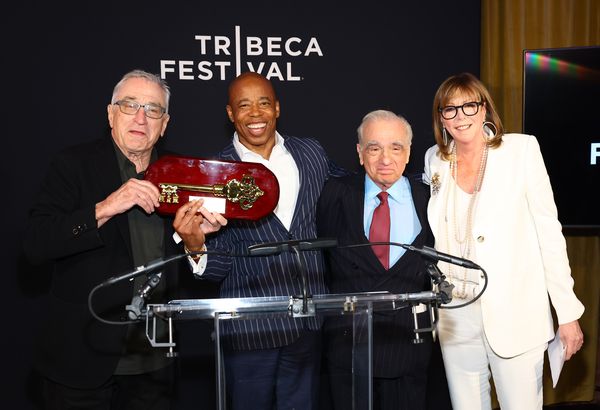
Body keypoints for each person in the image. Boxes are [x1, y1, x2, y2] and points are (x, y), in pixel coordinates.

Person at [173, 71, 347, 410]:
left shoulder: (310, 153)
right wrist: (195, 246)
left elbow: (350, 193)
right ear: (230, 114)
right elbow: (218, 262)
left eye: (263, 103)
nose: (255, 114)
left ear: (277, 108)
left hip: (307, 321)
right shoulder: (215, 172)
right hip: (250, 329)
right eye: (244, 105)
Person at [423, 72, 585, 409]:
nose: (460, 116)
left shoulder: (521, 151)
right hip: (457, 314)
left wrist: (567, 313)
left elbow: (548, 234)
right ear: (441, 118)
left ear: (484, 109)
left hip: (515, 312)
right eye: (449, 109)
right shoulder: (435, 160)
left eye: (469, 105)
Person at [23, 69, 183, 409]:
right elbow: (36, 244)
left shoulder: (179, 176)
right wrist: (107, 207)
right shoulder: (73, 165)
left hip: (154, 361)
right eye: (130, 105)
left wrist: (196, 242)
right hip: (80, 361)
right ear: (111, 113)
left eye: (153, 109)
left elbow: (187, 260)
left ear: (164, 124)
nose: (141, 117)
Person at [316, 110, 450, 410]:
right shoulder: (332, 196)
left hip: (410, 348)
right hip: (348, 348)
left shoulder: (430, 199)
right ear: (360, 153)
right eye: (374, 148)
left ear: (409, 152)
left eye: (395, 147)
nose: (385, 159)